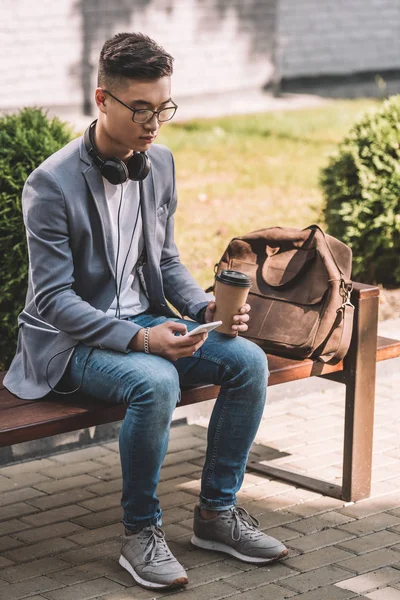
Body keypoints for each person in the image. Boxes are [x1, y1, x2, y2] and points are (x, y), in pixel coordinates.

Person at [4, 32, 288, 590]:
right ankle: (141, 534)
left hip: (142, 324)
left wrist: (202, 305)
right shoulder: (51, 184)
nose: (154, 124)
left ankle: (216, 516)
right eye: (140, 109)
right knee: (155, 380)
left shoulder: (158, 163)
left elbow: (166, 258)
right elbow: (54, 300)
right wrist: (141, 342)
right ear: (101, 100)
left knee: (248, 362)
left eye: (164, 109)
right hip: (70, 344)